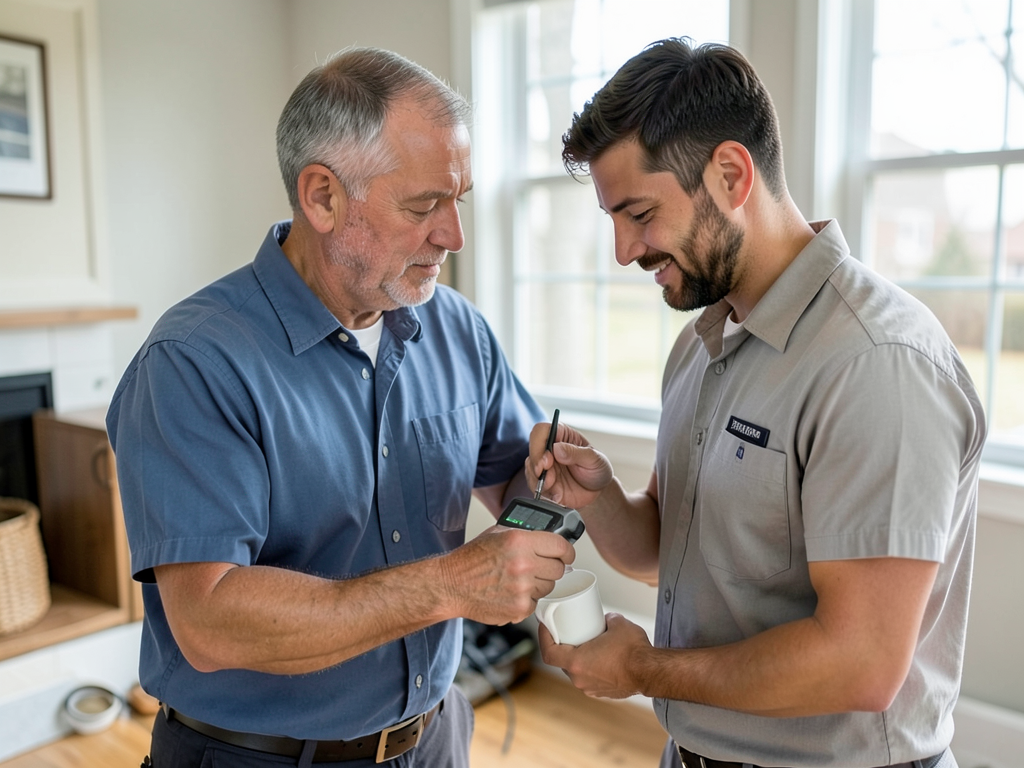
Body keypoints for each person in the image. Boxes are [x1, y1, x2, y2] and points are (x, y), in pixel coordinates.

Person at [106, 47, 574, 767]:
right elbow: (210, 623)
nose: (454, 235)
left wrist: (547, 488)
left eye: (460, 200)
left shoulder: (458, 330)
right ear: (321, 197)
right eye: (424, 205)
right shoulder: (193, 363)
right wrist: (450, 585)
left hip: (435, 740)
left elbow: (516, 476)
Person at [526, 38, 985, 768]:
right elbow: (667, 554)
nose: (621, 251)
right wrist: (602, 495)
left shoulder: (876, 364)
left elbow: (859, 663)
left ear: (731, 174)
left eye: (638, 213)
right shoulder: (702, 341)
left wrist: (642, 669)